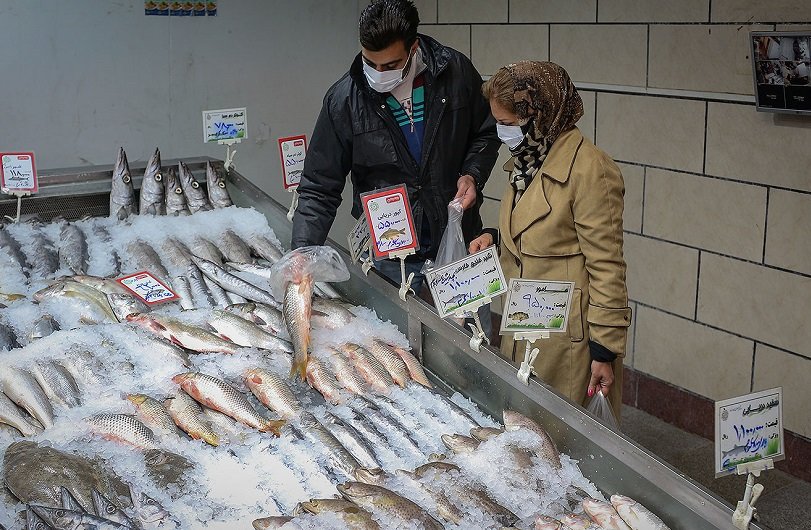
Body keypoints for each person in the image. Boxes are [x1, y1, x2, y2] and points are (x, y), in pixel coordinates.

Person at [290, 0, 500, 296]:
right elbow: (319, 185)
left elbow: (486, 133)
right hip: (390, 255)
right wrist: (302, 251)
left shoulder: (454, 71)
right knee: (396, 340)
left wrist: (472, 174)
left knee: (466, 337)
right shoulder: (344, 100)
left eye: (389, 65)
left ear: (413, 48)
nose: (378, 73)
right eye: (369, 63)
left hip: (458, 240)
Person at [468, 61, 632, 419]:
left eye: (509, 124)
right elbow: (541, 233)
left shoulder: (591, 169)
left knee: (563, 451)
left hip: (566, 344)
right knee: (527, 438)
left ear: (541, 115)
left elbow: (607, 267)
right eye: (497, 122)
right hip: (525, 324)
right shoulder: (526, 160)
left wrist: (604, 350)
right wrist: (496, 240)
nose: (501, 133)